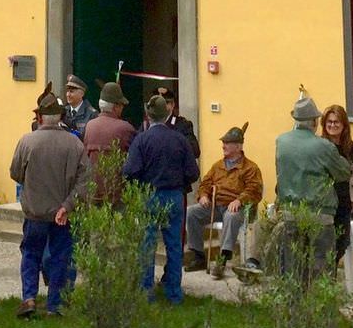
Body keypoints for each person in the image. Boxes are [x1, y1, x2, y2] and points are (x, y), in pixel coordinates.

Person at [9, 85, 88, 317]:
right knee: (60, 257)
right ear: (61, 117)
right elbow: (85, 180)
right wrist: (67, 205)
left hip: (35, 212)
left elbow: (15, 173)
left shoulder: (27, 142)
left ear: (40, 117)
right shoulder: (74, 144)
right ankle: (56, 304)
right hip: (61, 213)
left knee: (31, 254)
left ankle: (30, 298)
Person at [123, 93, 199, 304]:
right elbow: (193, 172)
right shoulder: (180, 139)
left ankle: (146, 292)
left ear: (148, 116)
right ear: (167, 114)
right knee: (174, 246)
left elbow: (129, 171)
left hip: (149, 195)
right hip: (174, 195)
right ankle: (174, 293)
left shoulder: (142, 139)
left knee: (147, 245)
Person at [273, 92, 352, 282]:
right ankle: (319, 309)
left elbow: (280, 173)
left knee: (292, 267)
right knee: (320, 268)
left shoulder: (281, 141)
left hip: (290, 212)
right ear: (315, 122)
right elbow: (343, 173)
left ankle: (293, 308)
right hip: (320, 214)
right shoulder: (323, 146)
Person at [185, 122, 263, 279]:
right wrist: (204, 196)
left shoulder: (250, 168)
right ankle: (198, 255)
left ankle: (223, 258)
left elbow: (255, 191)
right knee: (192, 212)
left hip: (238, 208)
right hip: (215, 205)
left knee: (231, 215)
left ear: (238, 147)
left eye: (227, 143)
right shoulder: (217, 166)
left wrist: (240, 200)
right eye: (223, 142)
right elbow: (205, 183)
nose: (223, 146)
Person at [321, 103, 353, 262]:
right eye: (329, 122)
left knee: (341, 242)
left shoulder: (349, 146)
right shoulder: (321, 146)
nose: (332, 125)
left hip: (346, 200)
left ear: (344, 125)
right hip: (327, 201)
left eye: (336, 122)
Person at [83, 81, 137, 202]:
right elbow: (135, 162)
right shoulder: (125, 128)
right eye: (121, 105)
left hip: (93, 194)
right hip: (117, 195)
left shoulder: (89, 126)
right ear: (116, 106)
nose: (122, 108)